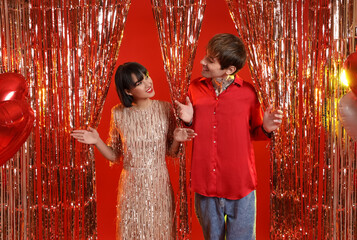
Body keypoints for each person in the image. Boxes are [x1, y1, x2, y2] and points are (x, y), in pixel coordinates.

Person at [175, 33, 283, 240]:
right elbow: (187, 132)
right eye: (206, 56)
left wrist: (267, 128)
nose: (202, 62)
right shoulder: (193, 89)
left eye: (210, 60)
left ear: (230, 70)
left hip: (240, 185)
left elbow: (255, 133)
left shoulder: (249, 93)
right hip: (205, 184)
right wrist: (188, 120)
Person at [71, 62, 196, 240]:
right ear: (128, 92)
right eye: (139, 83)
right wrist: (97, 141)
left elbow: (172, 152)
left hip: (159, 184)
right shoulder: (118, 113)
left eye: (146, 76)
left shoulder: (165, 109)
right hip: (131, 185)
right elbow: (114, 155)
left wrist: (177, 139)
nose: (148, 83)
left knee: (160, 231)